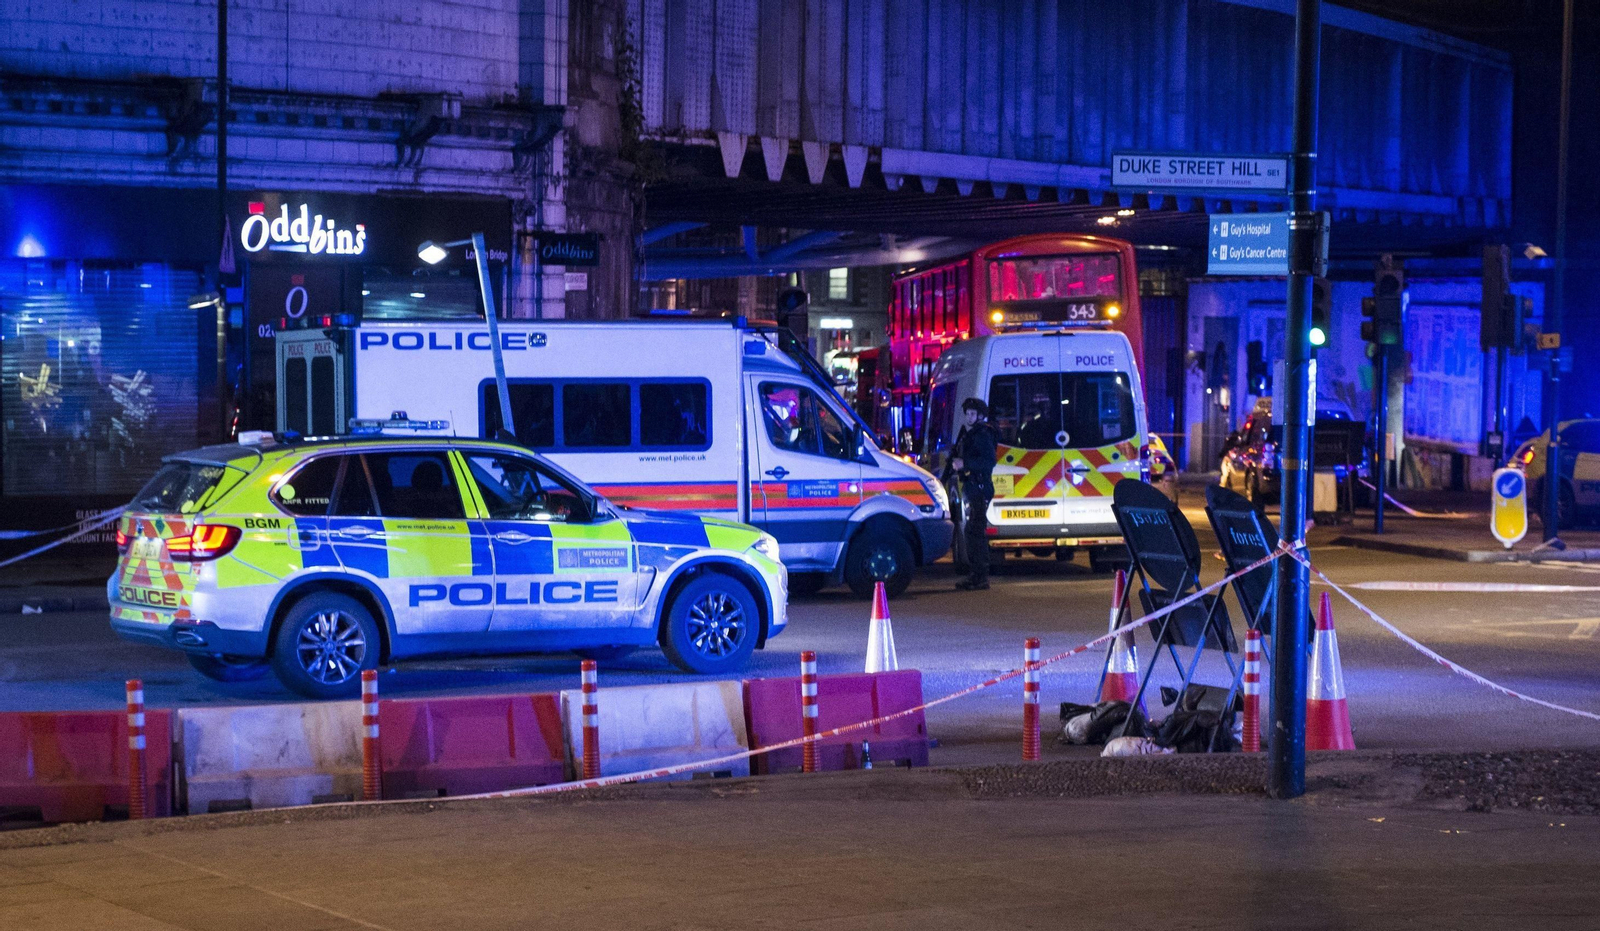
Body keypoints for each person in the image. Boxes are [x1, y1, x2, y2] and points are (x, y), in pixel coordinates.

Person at [950, 397, 999, 591]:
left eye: (972, 414)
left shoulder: (983, 434)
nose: (969, 417)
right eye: (967, 413)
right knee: (973, 531)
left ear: (980, 415)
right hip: (974, 487)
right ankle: (977, 575)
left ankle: (979, 576)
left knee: (975, 532)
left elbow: (989, 462)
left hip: (979, 488)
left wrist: (965, 464)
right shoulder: (975, 433)